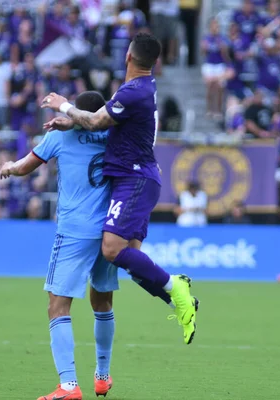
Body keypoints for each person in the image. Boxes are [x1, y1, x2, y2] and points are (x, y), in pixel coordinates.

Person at [0, 91, 181, 400]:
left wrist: (9, 166)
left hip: (73, 231)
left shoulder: (59, 138)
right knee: (102, 302)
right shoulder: (115, 137)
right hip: (109, 230)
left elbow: (26, 166)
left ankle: (68, 385)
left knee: (58, 306)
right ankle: (101, 374)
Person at [42, 32, 197, 345]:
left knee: (111, 249)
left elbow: (98, 123)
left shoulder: (132, 92)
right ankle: (178, 300)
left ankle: (174, 285)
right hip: (140, 177)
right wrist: (73, 120)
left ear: (128, 56)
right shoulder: (141, 89)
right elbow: (105, 122)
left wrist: (65, 106)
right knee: (132, 261)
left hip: (134, 180)